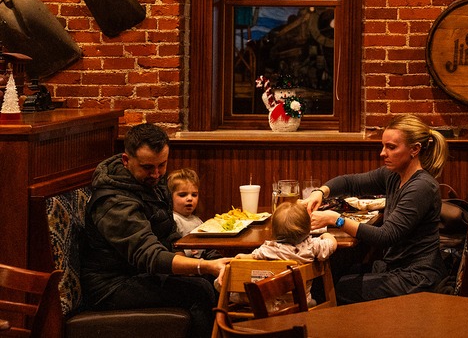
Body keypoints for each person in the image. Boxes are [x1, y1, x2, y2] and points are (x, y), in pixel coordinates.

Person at [81, 123, 231, 338]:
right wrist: (203, 266)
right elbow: (148, 255)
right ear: (126, 161)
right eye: (148, 167)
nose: (157, 173)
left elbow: (168, 233)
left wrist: (198, 258)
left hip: (138, 274)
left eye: (162, 165)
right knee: (199, 289)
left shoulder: (150, 182)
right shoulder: (114, 202)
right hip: (111, 286)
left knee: (210, 282)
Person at [301, 114, 448, 303]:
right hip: (396, 268)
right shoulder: (394, 175)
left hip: (417, 277)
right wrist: (319, 193)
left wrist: (335, 219)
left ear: (415, 149)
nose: (382, 153)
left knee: (334, 287)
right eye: (383, 146)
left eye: (391, 147)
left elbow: (385, 236)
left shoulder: (421, 187)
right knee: (328, 276)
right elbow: (349, 182)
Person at [216, 201, 338, 306]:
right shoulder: (312, 247)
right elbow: (332, 245)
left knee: (228, 284)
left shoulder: (268, 249)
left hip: (266, 302)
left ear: (273, 231)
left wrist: (239, 258)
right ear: (308, 228)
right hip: (300, 301)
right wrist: (326, 235)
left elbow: (247, 258)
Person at [168, 168, 204, 258]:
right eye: (183, 195)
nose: (190, 198)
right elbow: (172, 248)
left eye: (194, 195)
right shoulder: (173, 219)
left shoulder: (197, 220)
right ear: (169, 197)